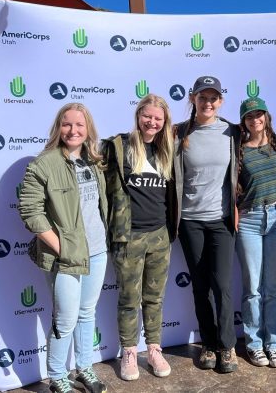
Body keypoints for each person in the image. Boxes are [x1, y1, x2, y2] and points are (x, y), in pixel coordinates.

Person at [19, 103, 108, 393]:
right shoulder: (44, 164)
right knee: (66, 319)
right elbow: (30, 211)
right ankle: (58, 376)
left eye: (80, 125)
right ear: (58, 128)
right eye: (67, 124)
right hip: (64, 256)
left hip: (96, 250)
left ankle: (84, 369)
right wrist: (61, 248)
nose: (73, 130)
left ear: (88, 129)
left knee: (86, 313)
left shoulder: (94, 161)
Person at [102, 94, 177, 380]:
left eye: (158, 119)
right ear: (138, 116)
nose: (152, 122)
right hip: (128, 236)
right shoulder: (118, 147)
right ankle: (129, 352)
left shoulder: (168, 150)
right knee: (129, 298)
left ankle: (154, 349)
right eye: (148, 116)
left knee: (154, 298)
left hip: (159, 235)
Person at [173, 76, 242, 373]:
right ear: (193, 99)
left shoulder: (232, 132)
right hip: (190, 221)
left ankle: (228, 346)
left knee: (223, 285)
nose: (208, 102)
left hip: (222, 221)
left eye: (213, 97)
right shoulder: (179, 132)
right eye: (203, 97)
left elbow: (270, 142)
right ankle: (209, 344)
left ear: (221, 101)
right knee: (201, 287)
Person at [235, 96, 276, 368]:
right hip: (249, 220)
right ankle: (254, 344)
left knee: (274, 288)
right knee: (253, 289)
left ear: (267, 116)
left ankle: (274, 343)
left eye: (259, 114)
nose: (255, 119)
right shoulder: (239, 150)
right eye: (249, 116)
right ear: (243, 121)